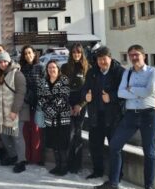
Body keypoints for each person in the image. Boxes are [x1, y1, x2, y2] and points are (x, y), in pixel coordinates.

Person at [96, 45, 155, 189]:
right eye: (131, 55)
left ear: (144, 56)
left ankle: (148, 187)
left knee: (149, 152)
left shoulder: (153, 72)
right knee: (114, 145)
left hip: (148, 114)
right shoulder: (127, 73)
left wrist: (131, 89)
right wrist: (139, 91)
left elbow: (149, 91)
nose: (133, 57)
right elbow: (120, 93)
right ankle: (113, 184)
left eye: (136, 54)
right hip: (131, 115)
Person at [82, 46, 124, 179]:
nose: (102, 62)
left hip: (113, 117)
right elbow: (85, 89)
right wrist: (86, 96)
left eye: (104, 59)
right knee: (95, 146)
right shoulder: (92, 72)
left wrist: (111, 97)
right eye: (99, 59)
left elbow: (125, 93)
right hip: (96, 116)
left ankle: (117, 174)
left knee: (115, 148)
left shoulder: (119, 72)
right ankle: (98, 171)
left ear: (110, 58)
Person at [0, 51, 28, 173]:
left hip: (17, 112)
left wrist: (14, 111)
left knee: (17, 137)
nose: (3, 64)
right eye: (0, 62)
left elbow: (20, 93)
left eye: (5, 61)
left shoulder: (17, 74)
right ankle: (13, 156)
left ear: (9, 61)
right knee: (4, 135)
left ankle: (22, 161)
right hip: (3, 112)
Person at [37, 60, 71, 176]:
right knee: (54, 144)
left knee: (62, 144)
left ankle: (64, 166)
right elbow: (41, 98)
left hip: (62, 119)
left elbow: (63, 98)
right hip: (50, 120)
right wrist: (48, 109)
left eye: (54, 67)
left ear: (58, 69)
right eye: (49, 68)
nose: (52, 70)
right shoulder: (43, 82)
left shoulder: (64, 81)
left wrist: (50, 110)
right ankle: (57, 165)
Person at [61, 42, 89, 173]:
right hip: (67, 103)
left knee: (77, 134)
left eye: (78, 52)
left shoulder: (87, 68)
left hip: (81, 104)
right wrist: (68, 105)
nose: (76, 54)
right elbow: (61, 87)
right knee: (68, 134)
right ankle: (66, 163)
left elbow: (89, 90)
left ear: (82, 53)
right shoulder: (65, 67)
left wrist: (80, 105)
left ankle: (76, 165)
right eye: (74, 52)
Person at [19, 45, 44, 165]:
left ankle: (37, 158)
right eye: (25, 53)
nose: (28, 55)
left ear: (34, 54)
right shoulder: (23, 68)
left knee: (36, 131)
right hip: (26, 103)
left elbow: (44, 85)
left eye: (29, 53)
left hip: (38, 103)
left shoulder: (41, 67)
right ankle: (27, 157)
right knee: (26, 131)